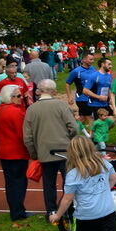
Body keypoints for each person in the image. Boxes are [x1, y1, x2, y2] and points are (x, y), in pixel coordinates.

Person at [23, 79, 80, 219]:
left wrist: (34, 153)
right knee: (69, 182)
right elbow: (74, 128)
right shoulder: (61, 105)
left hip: (44, 152)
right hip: (65, 151)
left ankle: (51, 210)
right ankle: (70, 209)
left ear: (40, 91)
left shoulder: (31, 109)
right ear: (53, 91)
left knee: (49, 183)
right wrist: (69, 139)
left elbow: (27, 137)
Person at [0, 85, 30, 221]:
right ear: (10, 97)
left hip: (4, 151)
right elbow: (23, 134)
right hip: (17, 152)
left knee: (10, 182)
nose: (21, 98)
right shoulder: (15, 112)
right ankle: (18, 212)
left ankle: (16, 210)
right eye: (18, 96)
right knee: (19, 182)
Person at [65, 53, 98, 129]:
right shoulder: (76, 71)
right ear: (84, 59)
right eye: (90, 59)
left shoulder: (93, 69)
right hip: (82, 98)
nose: (92, 61)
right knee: (90, 118)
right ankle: (94, 139)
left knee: (82, 118)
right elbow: (67, 83)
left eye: (93, 59)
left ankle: (71, 132)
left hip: (92, 97)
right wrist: (69, 97)